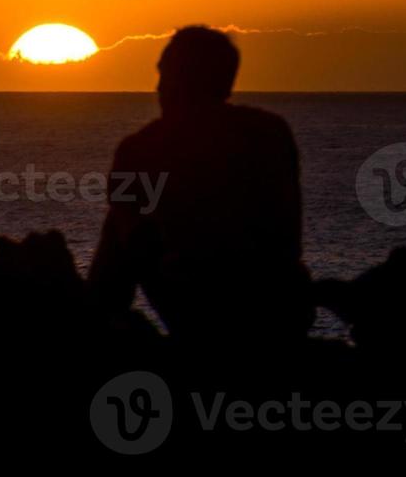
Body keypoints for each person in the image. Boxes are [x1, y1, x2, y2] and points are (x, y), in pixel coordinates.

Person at [89, 27, 311, 346]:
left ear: (184, 81)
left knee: (122, 218)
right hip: (283, 311)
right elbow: (286, 240)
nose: (158, 87)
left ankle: (98, 326)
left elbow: (129, 241)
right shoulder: (271, 133)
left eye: (165, 76)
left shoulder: (140, 149)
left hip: (200, 313)